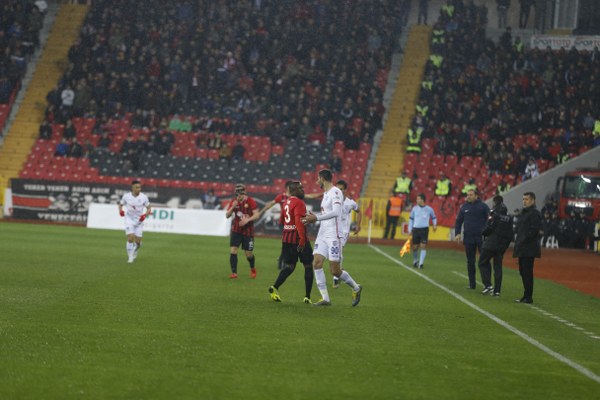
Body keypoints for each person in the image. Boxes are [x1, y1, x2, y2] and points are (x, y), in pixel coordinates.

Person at [302, 169, 362, 306]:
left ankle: (356, 287)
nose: (317, 181)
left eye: (318, 178)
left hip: (334, 235)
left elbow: (336, 212)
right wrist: (315, 215)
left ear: (323, 178)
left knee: (334, 270)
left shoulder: (336, 192)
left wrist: (316, 217)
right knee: (316, 263)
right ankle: (325, 298)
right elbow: (327, 212)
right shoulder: (326, 193)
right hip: (323, 233)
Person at [268, 181, 314, 304]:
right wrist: (302, 239)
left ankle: (274, 287)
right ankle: (307, 297)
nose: (303, 190)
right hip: (298, 239)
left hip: (286, 239)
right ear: (294, 190)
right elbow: (299, 222)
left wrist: (290, 227)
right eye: (300, 188)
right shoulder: (299, 203)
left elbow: (282, 221)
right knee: (308, 265)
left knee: (289, 266)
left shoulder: (286, 202)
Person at [454, 188, 490, 289]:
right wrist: (457, 233)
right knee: (470, 261)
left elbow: (490, 218)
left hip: (481, 238)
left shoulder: (483, 206)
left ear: (476, 196)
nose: (468, 196)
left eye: (470, 195)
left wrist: (487, 231)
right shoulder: (464, 207)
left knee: (484, 261)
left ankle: (487, 284)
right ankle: (472, 284)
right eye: (467, 195)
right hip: (468, 238)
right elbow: (459, 221)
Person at [478, 195, 513, 296]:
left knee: (482, 262)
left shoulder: (494, 213)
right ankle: (497, 290)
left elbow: (490, 227)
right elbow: (511, 234)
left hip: (490, 244)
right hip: (501, 246)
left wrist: (483, 233)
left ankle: (488, 285)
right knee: (498, 267)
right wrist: (505, 246)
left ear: (494, 202)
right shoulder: (508, 217)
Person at [513, 192, 542, 304]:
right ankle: (526, 295)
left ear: (533, 201)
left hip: (529, 247)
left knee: (527, 272)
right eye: (523, 199)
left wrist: (524, 238)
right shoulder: (524, 213)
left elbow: (534, 230)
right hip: (523, 247)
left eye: (527, 199)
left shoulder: (534, 213)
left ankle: (528, 297)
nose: (524, 201)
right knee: (523, 271)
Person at [332, 179, 361, 288]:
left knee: (338, 251)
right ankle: (338, 272)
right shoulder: (333, 201)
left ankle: (336, 277)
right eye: (337, 189)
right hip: (333, 230)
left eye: (341, 189)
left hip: (344, 232)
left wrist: (358, 225)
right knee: (334, 253)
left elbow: (359, 211)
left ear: (345, 190)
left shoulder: (350, 203)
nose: (339, 191)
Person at [225, 184, 259, 279]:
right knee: (233, 250)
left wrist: (247, 220)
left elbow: (257, 215)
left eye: (240, 194)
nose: (238, 196)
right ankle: (234, 273)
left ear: (244, 193)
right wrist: (232, 207)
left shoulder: (251, 201)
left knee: (248, 254)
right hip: (236, 230)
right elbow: (227, 215)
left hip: (248, 231)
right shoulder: (234, 202)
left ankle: (252, 268)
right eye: (237, 194)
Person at [118, 180, 152, 263]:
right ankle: (130, 257)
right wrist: (120, 211)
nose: (139, 189)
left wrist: (144, 215)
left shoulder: (143, 197)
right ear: (132, 188)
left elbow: (149, 208)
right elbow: (120, 204)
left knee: (138, 242)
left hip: (139, 220)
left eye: (140, 187)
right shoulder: (126, 196)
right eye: (137, 187)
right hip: (129, 219)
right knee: (130, 238)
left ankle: (135, 250)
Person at [408, 193, 437, 269]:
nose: (416, 200)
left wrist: (434, 225)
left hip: (424, 229)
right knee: (415, 247)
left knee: (423, 246)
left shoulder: (429, 209)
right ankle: (415, 260)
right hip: (416, 229)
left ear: (422, 200)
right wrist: (409, 229)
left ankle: (421, 264)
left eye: (418, 199)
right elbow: (411, 219)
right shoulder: (414, 209)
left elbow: (434, 217)